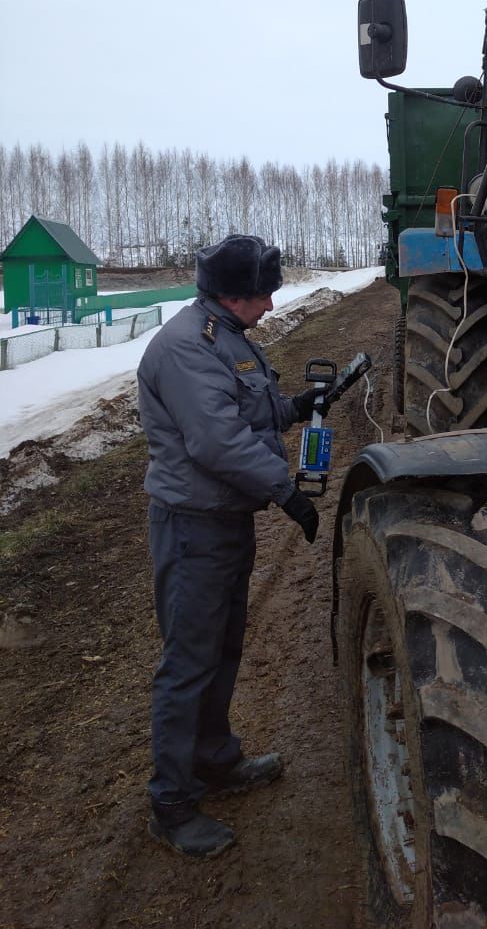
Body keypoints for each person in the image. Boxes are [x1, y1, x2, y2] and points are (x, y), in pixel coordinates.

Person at [137, 234, 325, 859]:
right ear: (232, 294)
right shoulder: (188, 347)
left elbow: (244, 412)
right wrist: (287, 494)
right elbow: (215, 443)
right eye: (263, 295)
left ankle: (214, 760)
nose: (271, 306)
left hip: (222, 524)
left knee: (221, 649)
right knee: (189, 662)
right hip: (193, 529)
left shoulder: (228, 337)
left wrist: (296, 405)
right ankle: (171, 801)